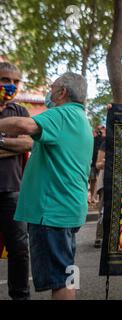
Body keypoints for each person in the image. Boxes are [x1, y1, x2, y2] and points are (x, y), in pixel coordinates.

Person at [0, 72, 93, 299]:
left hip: (52, 212)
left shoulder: (63, 114)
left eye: (52, 89)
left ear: (62, 92)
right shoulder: (80, 119)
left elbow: (24, 125)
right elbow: (28, 143)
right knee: (67, 274)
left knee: (60, 281)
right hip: (67, 209)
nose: (48, 94)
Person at [0, 62, 32, 300]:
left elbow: (29, 143)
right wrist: (13, 144)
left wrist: (1, 141)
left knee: (19, 250)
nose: (10, 85)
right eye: (4, 80)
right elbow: (19, 145)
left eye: (15, 81)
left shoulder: (20, 112)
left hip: (13, 190)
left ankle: (20, 296)